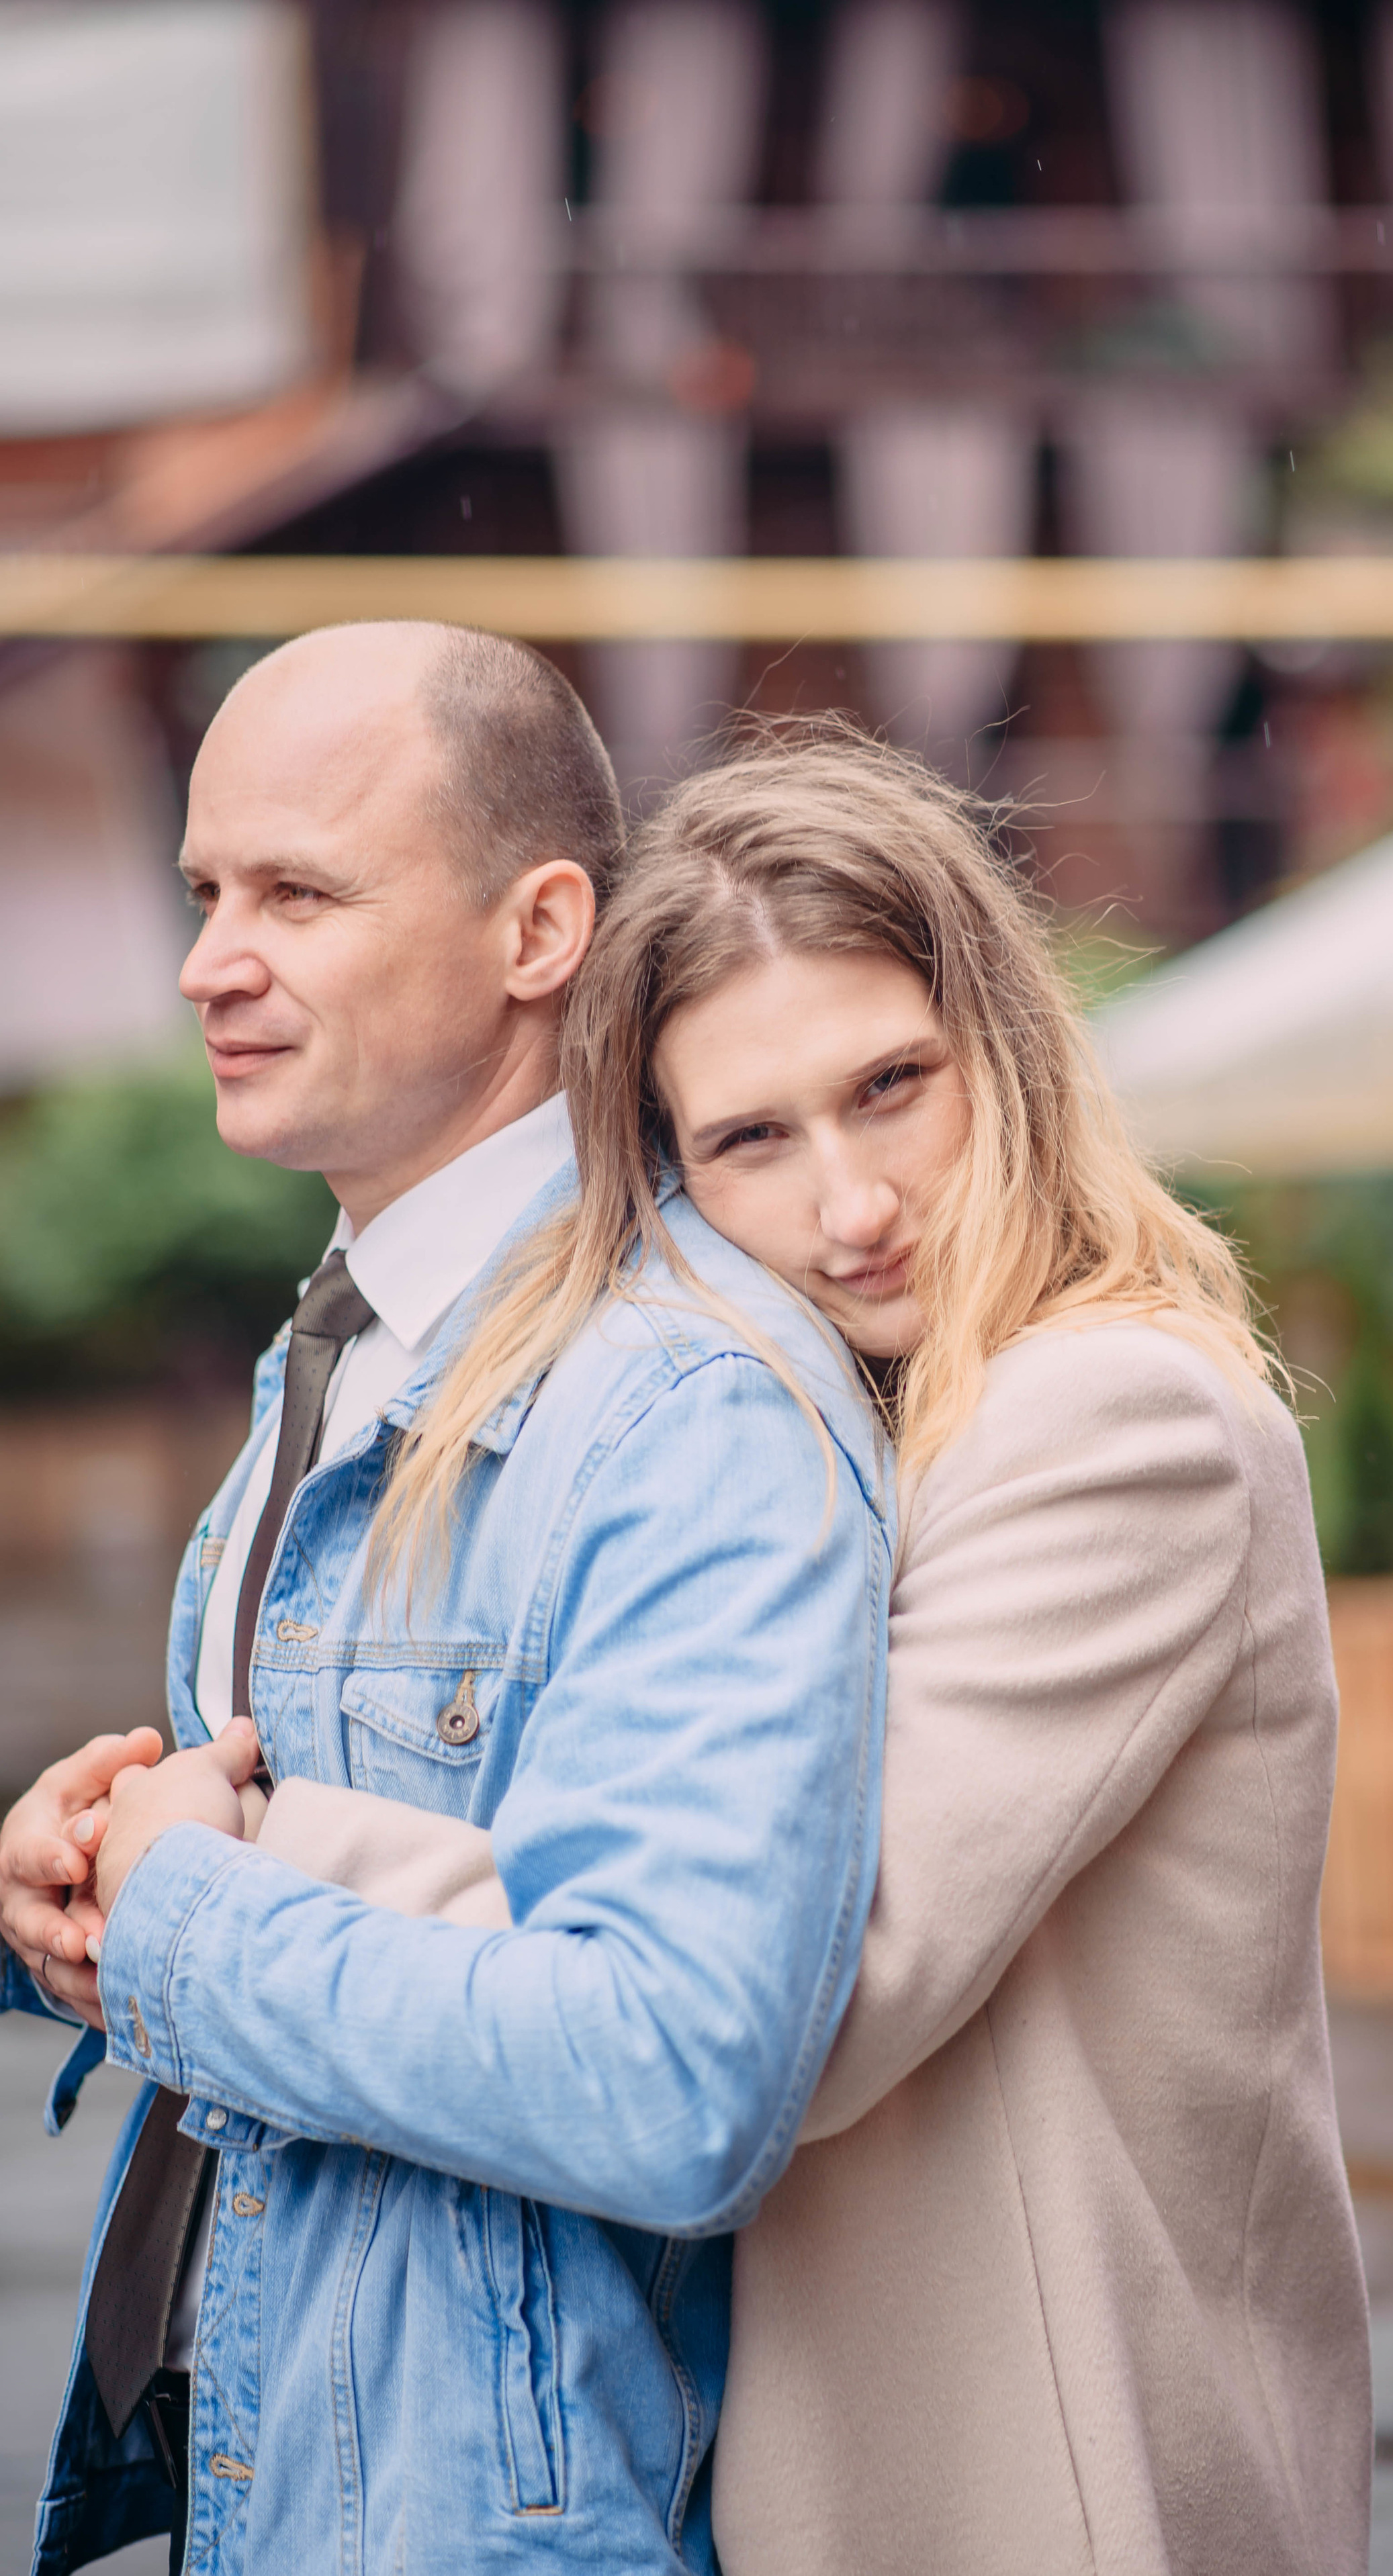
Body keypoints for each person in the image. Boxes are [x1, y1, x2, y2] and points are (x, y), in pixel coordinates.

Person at [228, 719, 1375, 2574]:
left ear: (999, 1049)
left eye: (891, 1085)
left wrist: (253, 1853)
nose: (850, 1206)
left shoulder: (1110, 1420)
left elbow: (787, 1996)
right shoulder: (849, 1423)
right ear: (669, 1176)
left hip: (1053, 2483)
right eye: (753, 1139)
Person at [0, 631, 891, 2576]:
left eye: (298, 893)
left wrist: (185, 1910)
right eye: (205, 892)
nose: (208, 961)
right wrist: (72, 1894)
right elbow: (274, 1867)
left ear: (538, 927)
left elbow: (677, 2075)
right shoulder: (349, 1342)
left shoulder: (683, 1404)